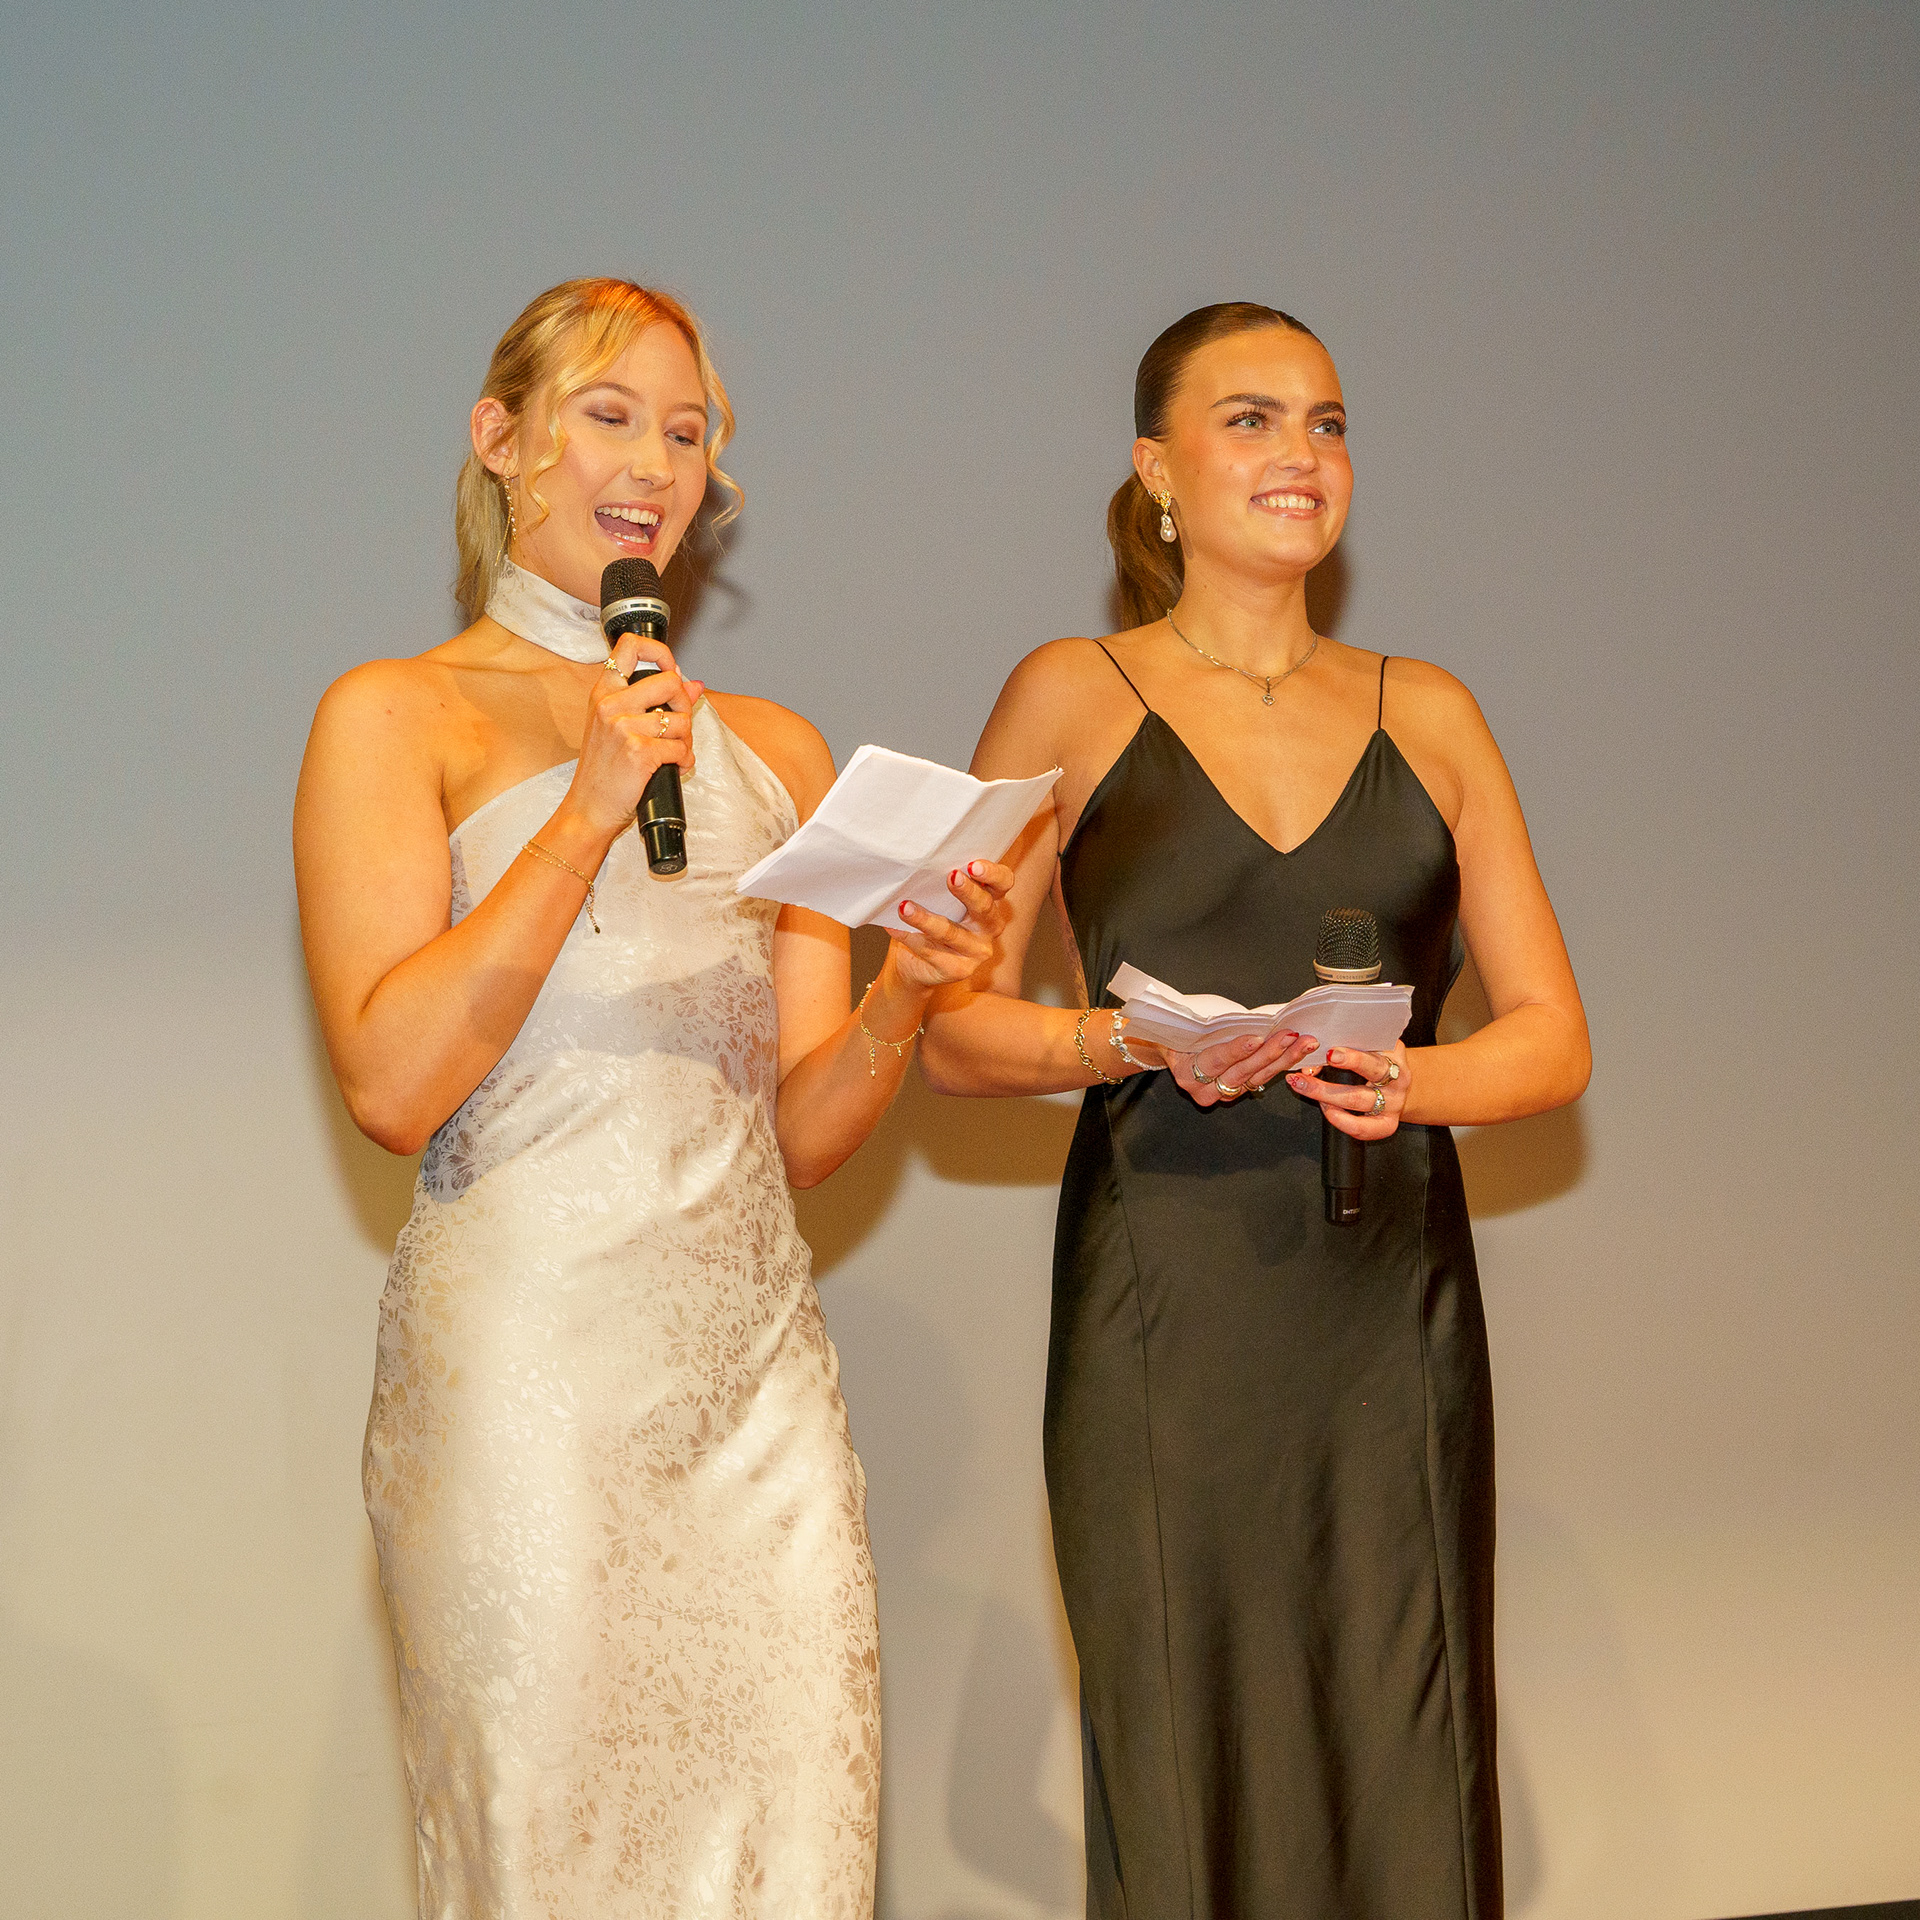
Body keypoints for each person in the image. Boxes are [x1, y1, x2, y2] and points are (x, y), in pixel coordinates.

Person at [293, 276, 1009, 1916]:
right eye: (609, 416)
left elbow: (800, 1137)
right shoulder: (394, 715)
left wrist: (911, 994)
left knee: (790, 1863)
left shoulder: (774, 751)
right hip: (528, 1394)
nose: (654, 464)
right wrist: (585, 812)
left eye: (687, 434)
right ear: (502, 442)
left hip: (756, 1408)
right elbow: (392, 1082)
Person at [920, 303, 1590, 1918]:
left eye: (1328, 422)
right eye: (1252, 418)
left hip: (1386, 1313)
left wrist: (1408, 1077)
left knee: (1404, 1728)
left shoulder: (1433, 711)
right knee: (1184, 1732)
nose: (1302, 454)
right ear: (1156, 469)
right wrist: (1130, 1041)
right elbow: (948, 1029)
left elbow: (1552, 1040)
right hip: (1168, 1306)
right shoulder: (1068, 696)